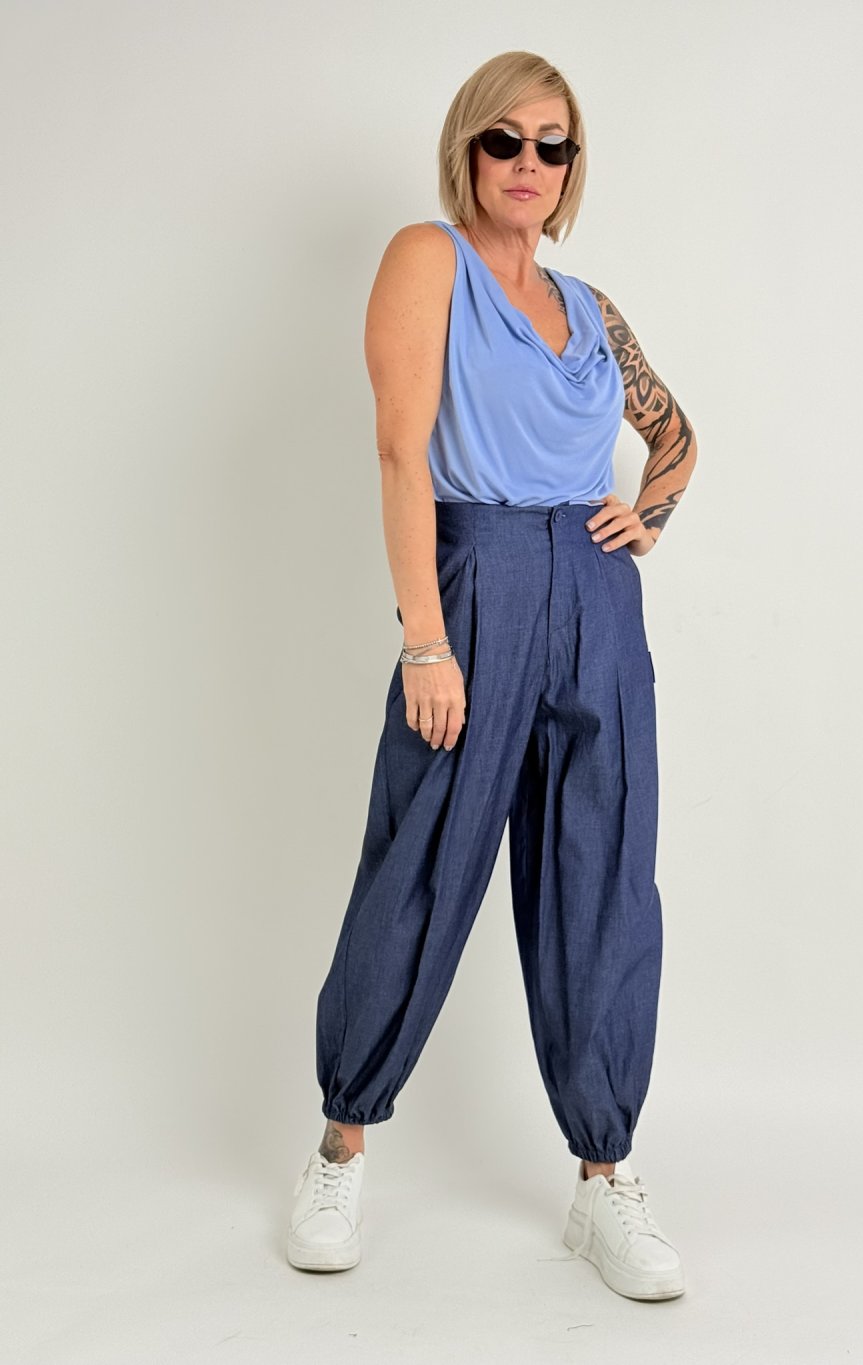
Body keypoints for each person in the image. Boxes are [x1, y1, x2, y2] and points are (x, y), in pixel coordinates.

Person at [286, 50, 698, 1301]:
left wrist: (646, 517)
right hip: (476, 579)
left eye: (551, 145)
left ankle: (602, 1176)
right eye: (503, 140)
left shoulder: (591, 307)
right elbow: (399, 450)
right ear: (467, 150)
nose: (528, 163)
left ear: (573, 166)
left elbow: (676, 436)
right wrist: (426, 637)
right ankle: (340, 1146)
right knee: (422, 856)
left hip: (596, 591)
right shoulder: (430, 260)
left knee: (602, 872)